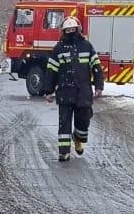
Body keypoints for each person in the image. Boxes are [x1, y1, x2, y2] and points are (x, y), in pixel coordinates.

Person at [42, 15, 104, 161]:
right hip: (65, 92)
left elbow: (96, 68)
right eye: (68, 29)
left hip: (83, 93)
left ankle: (78, 138)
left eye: (73, 29)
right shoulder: (58, 49)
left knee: (83, 121)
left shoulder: (87, 46)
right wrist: (48, 91)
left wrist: (99, 86)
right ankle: (64, 152)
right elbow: (51, 71)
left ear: (78, 29)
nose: (70, 32)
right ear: (63, 31)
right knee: (64, 123)